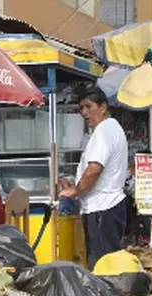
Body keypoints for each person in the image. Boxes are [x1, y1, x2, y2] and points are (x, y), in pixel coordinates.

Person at [59, 88, 128, 269]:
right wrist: (78, 185)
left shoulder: (104, 131)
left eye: (89, 107)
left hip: (102, 208)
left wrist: (76, 190)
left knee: (102, 266)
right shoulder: (111, 129)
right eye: (81, 108)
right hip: (107, 206)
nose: (84, 113)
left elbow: (95, 168)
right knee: (108, 264)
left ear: (103, 107)